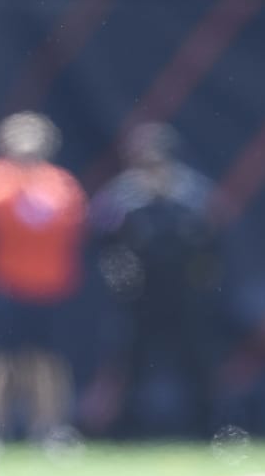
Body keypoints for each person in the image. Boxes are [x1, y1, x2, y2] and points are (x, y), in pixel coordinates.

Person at [89, 123, 222, 438]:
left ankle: (208, 429)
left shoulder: (191, 193)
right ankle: (127, 430)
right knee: (132, 363)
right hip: (139, 296)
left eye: (158, 161)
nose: (152, 169)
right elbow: (102, 241)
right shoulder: (121, 196)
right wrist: (118, 275)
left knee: (197, 361)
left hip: (184, 293)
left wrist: (202, 279)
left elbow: (213, 242)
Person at [0, 111, 87, 443]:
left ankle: (50, 427)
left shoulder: (60, 184)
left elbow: (68, 221)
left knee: (47, 360)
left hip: (47, 288)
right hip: (4, 285)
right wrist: (20, 182)